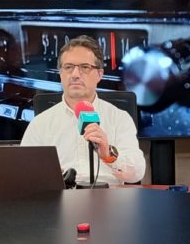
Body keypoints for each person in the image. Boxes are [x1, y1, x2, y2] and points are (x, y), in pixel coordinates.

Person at [21, 35, 146, 185]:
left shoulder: (119, 118)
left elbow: (137, 173)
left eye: (85, 67)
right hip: (61, 196)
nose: (75, 74)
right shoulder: (40, 123)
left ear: (99, 74)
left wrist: (108, 155)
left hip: (108, 196)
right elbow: (24, 173)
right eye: (68, 67)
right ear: (60, 73)